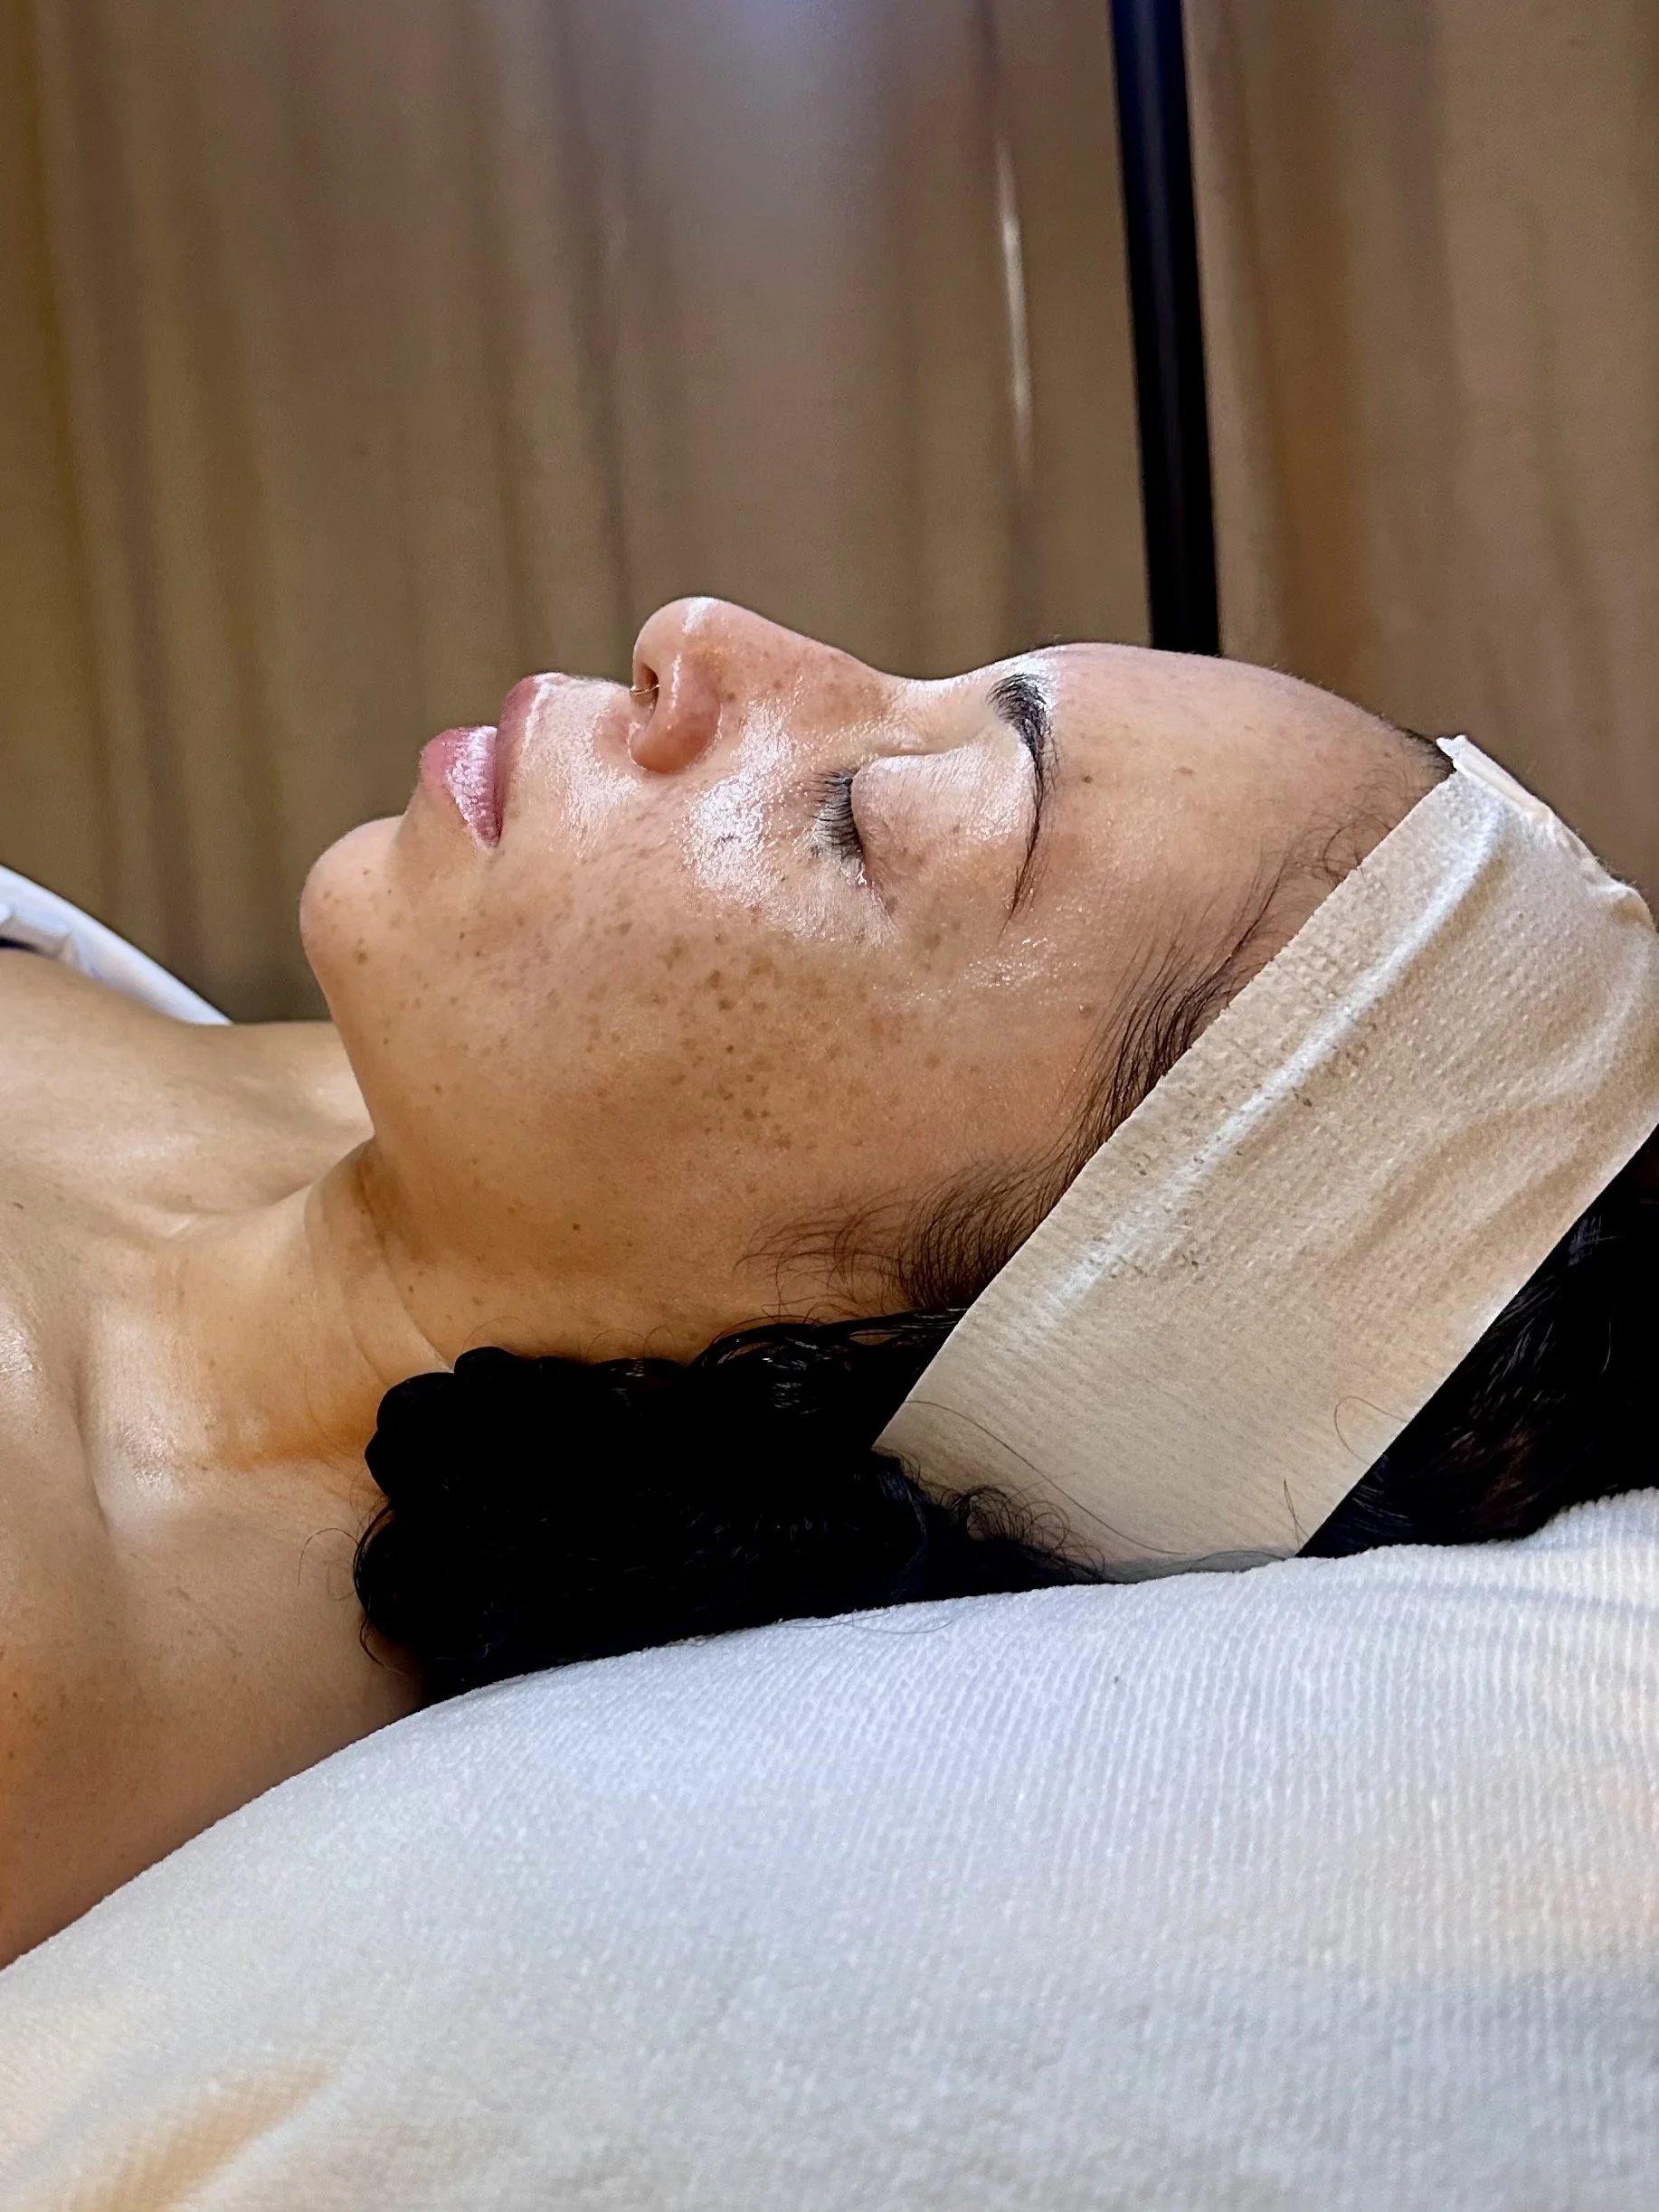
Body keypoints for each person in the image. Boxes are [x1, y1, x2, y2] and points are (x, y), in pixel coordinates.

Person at [0, 595, 1652, 1970]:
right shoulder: (409, 1127)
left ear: (853, 1362)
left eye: (862, 823)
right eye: (927, 680)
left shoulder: (51, 1657)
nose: (696, 636)